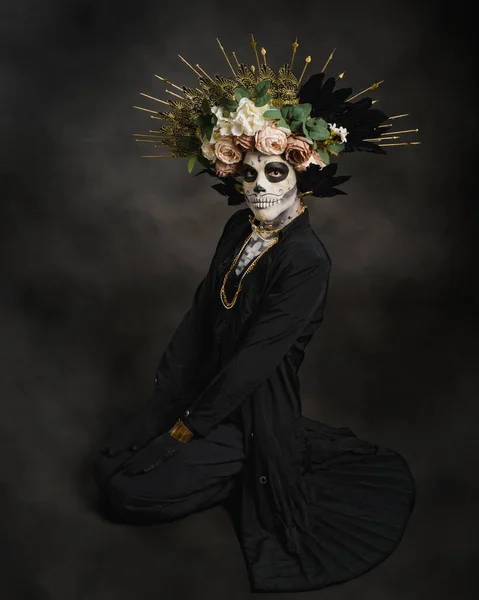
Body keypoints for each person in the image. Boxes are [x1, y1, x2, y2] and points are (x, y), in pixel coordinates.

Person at [93, 36, 417, 593]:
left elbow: (255, 362)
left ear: (301, 174)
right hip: (204, 391)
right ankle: (239, 450)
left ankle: (259, 461)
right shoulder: (238, 228)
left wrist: (185, 429)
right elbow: (201, 314)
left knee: (129, 494)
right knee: (108, 462)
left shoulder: (306, 260)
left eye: (274, 173)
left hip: (248, 406)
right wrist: (168, 394)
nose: (258, 188)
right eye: (247, 175)